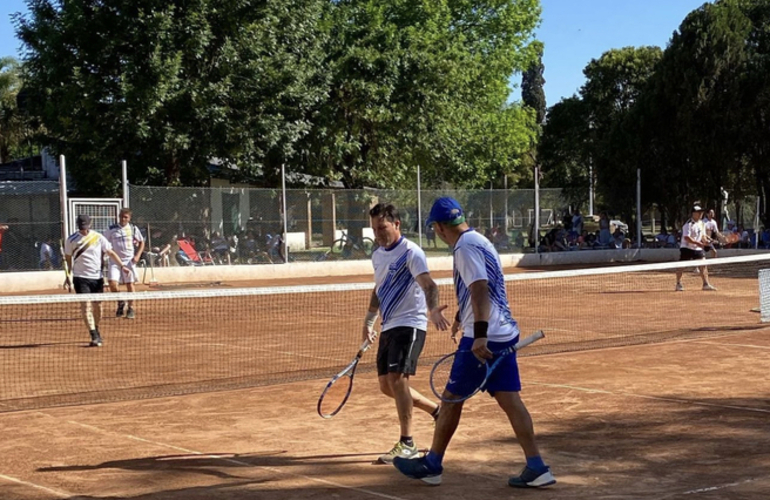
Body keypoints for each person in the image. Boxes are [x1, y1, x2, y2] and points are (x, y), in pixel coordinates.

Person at [393, 197, 555, 488]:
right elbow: (482, 288)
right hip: (503, 331)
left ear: (440, 227)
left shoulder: (464, 248)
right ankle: (536, 466)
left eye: (435, 229)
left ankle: (432, 465)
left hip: (484, 337)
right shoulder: (479, 240)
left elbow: (480, 289)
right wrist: (461, 316)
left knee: (451, 399)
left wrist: (478, 333)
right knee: (511, 401)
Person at [364, 202, 450, 464]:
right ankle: (437, 411)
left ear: (396, 224)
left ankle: (407, 444)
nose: (378, 234)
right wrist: (369, 320)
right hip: (388, 324)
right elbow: (379, 288)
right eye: (375, 229)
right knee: (386, 386)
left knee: (397, 379)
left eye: (382, 228)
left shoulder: (412, 252)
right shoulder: (378, 254)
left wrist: (433, 309)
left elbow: (429, 284)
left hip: (411, 323)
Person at [65, 214, 131, 347]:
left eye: (86, 226)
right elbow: (68, 258)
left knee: (98, 307)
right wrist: (68, 276)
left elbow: (110, 252)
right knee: (85, 306)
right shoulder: (71, 240)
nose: (84, 229)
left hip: (97, 278)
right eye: (81, 227)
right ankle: (93, 334)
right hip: (80, 278)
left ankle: (96, 327)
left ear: (90, 224)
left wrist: (122, 266)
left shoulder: (98, 237)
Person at [106, 208, 145, 319]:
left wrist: (137, 256)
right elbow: (103, 241)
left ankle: (131, 308)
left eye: (126, 217)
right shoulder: (111, 229)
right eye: (121, 216)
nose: (123, 219)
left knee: (130, 284)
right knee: (112, 283)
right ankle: (120, 302)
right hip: (115, 260)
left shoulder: (133, 228)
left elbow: (142, 242)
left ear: (129, 218)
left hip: (129, 261)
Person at [675, 204, 717, 292]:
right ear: (693, 213)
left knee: (703, 265)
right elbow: (687, 238)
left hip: (697, 249)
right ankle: (678, 283)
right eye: (698, 212)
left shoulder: (702, 223)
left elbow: (703, 236)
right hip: (686, 248)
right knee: (682, 266)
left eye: (701, 212)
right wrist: (699, 243)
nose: (701, 214)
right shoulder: (688, 224)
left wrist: (708, 241)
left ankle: (706, 284)